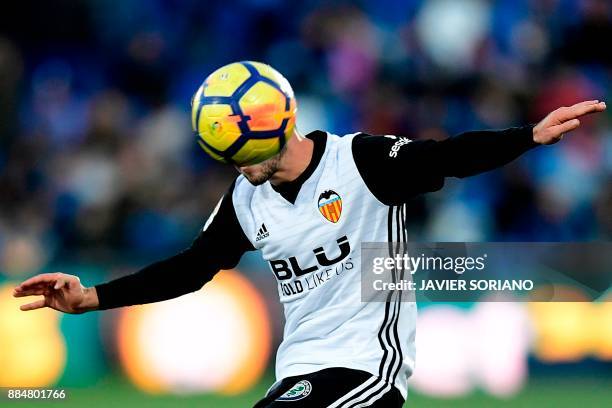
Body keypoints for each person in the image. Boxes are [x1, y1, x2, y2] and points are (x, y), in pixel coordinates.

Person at [14, 98, 606, 407]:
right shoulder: (247, 197)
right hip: (299, 368)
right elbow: (193, 268)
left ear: (275, 128)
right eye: (228, 159)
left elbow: (444, 158)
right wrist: (92, 297)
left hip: (368, 368)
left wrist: (527, 137)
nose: (240, 170)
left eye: (244, 153)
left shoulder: (363, 163)